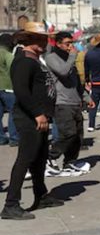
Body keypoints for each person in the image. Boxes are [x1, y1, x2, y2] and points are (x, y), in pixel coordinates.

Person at [3, 25, 64, 220]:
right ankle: (11, 204)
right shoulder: (24, 61)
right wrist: (38, 114)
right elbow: (21, 91)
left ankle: (41, 195)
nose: (45, 43)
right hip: (30, 118)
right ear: (29, 39)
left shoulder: (35, 59)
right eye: (41, 39)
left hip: (41, 117)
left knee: (39, 159)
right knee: (25, 159)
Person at [44, 31, 93, 176]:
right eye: (67, 44)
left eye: (71, 43)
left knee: (78, 136)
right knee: (68, 134)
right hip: (62, 102)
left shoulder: (70, 59)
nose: (70, 46)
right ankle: (50, 158)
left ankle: (70, 162)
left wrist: (86, 97)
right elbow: (63, 72)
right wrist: (73, 56)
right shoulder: (52, 58)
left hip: (75, 102)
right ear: (58, 44)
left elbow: (76, 82)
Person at [0, 33, 18, 146]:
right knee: (14, 112)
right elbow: (14, 69)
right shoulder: (7, 55)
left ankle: (1, 138)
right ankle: (14, 138)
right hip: (8, 88)